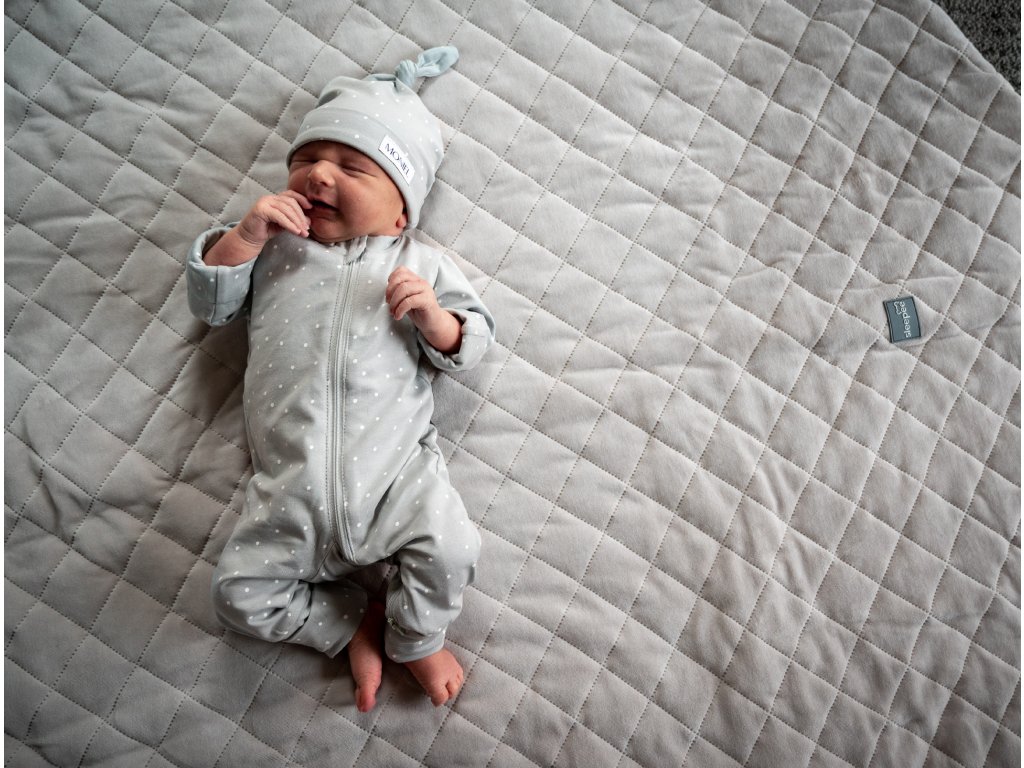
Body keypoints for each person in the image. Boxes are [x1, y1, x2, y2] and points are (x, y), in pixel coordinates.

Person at [185, 46, 495, 711]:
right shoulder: (275, 251)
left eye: (352, 167)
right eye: (305, 161)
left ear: (401, 211)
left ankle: (414, 638)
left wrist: (435, 319)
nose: (319, 175)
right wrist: (246, 235)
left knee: (451, 547)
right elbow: (211, 303)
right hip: (289, 489)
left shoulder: (418, 263)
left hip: (395, 479)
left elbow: (471, 344)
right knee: (237, 595)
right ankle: (350, 623)